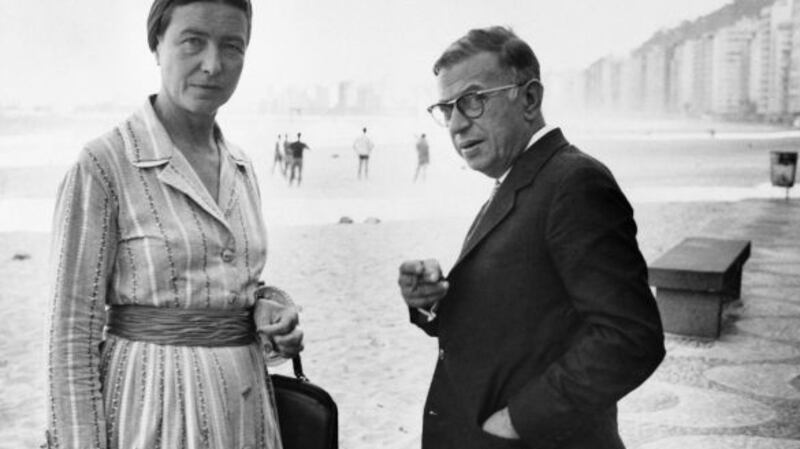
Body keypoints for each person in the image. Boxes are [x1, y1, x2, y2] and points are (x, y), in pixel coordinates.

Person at [44, 1, 303, 448]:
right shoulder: (105, 164)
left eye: (232, 46)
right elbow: (70, 335)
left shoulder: (241, 167)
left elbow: (232, 288)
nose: (212, 64)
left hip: (245, 412)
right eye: (193, 41)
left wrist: (271, 313)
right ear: (156, 44)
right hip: (150, 415)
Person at [397, 26, 665, 449]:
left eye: (472, 100)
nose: (456, 125)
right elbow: (520, 318)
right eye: (446, 109)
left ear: (529, 98)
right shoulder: (521, 178)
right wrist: (431, 302)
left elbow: (632, 338)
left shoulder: (574, 183)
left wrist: (517, 421)